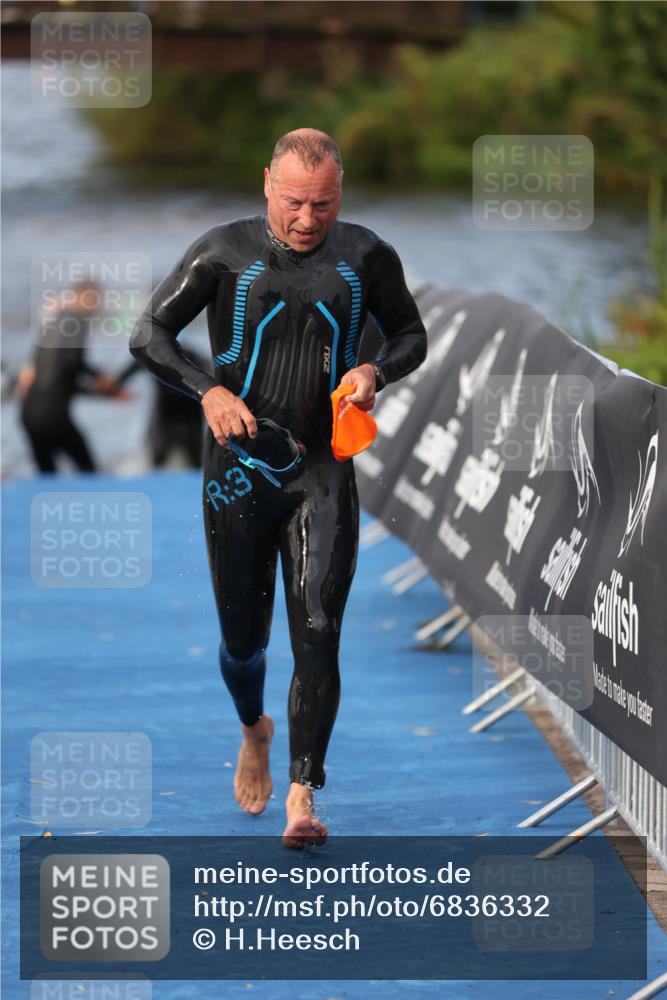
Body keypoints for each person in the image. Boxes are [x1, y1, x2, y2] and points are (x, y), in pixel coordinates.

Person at [129, 128, 427, 847]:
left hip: (322, 472)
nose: (305, 219)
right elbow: (147, 335)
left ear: (340, 190)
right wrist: (205, 391)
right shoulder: (221, 252)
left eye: (321, 205)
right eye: (293, 202)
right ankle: (252, 730)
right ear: (267, 184)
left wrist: (374, 373)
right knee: (242, 644)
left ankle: (304, 793)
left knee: (318, 635)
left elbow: (410, 334)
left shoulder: (365, 257)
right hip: (237, 474)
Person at [19, 280, 128, 474]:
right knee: (88, 470)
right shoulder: (77, 321)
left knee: (46, 476)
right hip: (52, 415)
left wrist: (100, 390)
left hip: (29, 410)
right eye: (94, 299)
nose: (97, 305)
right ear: (81, 297)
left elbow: (52, 371)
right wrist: (102, 381)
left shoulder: (56, 320)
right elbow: (73, 364)